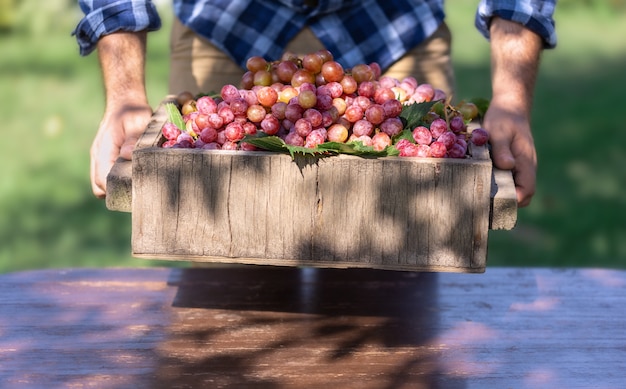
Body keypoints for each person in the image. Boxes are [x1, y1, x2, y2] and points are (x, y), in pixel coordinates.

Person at [73, 0, 556, 208]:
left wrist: (511, 98)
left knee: (398, 272)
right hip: (227, 25)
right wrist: (123, 96)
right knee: (229, 277)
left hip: (390, 26)